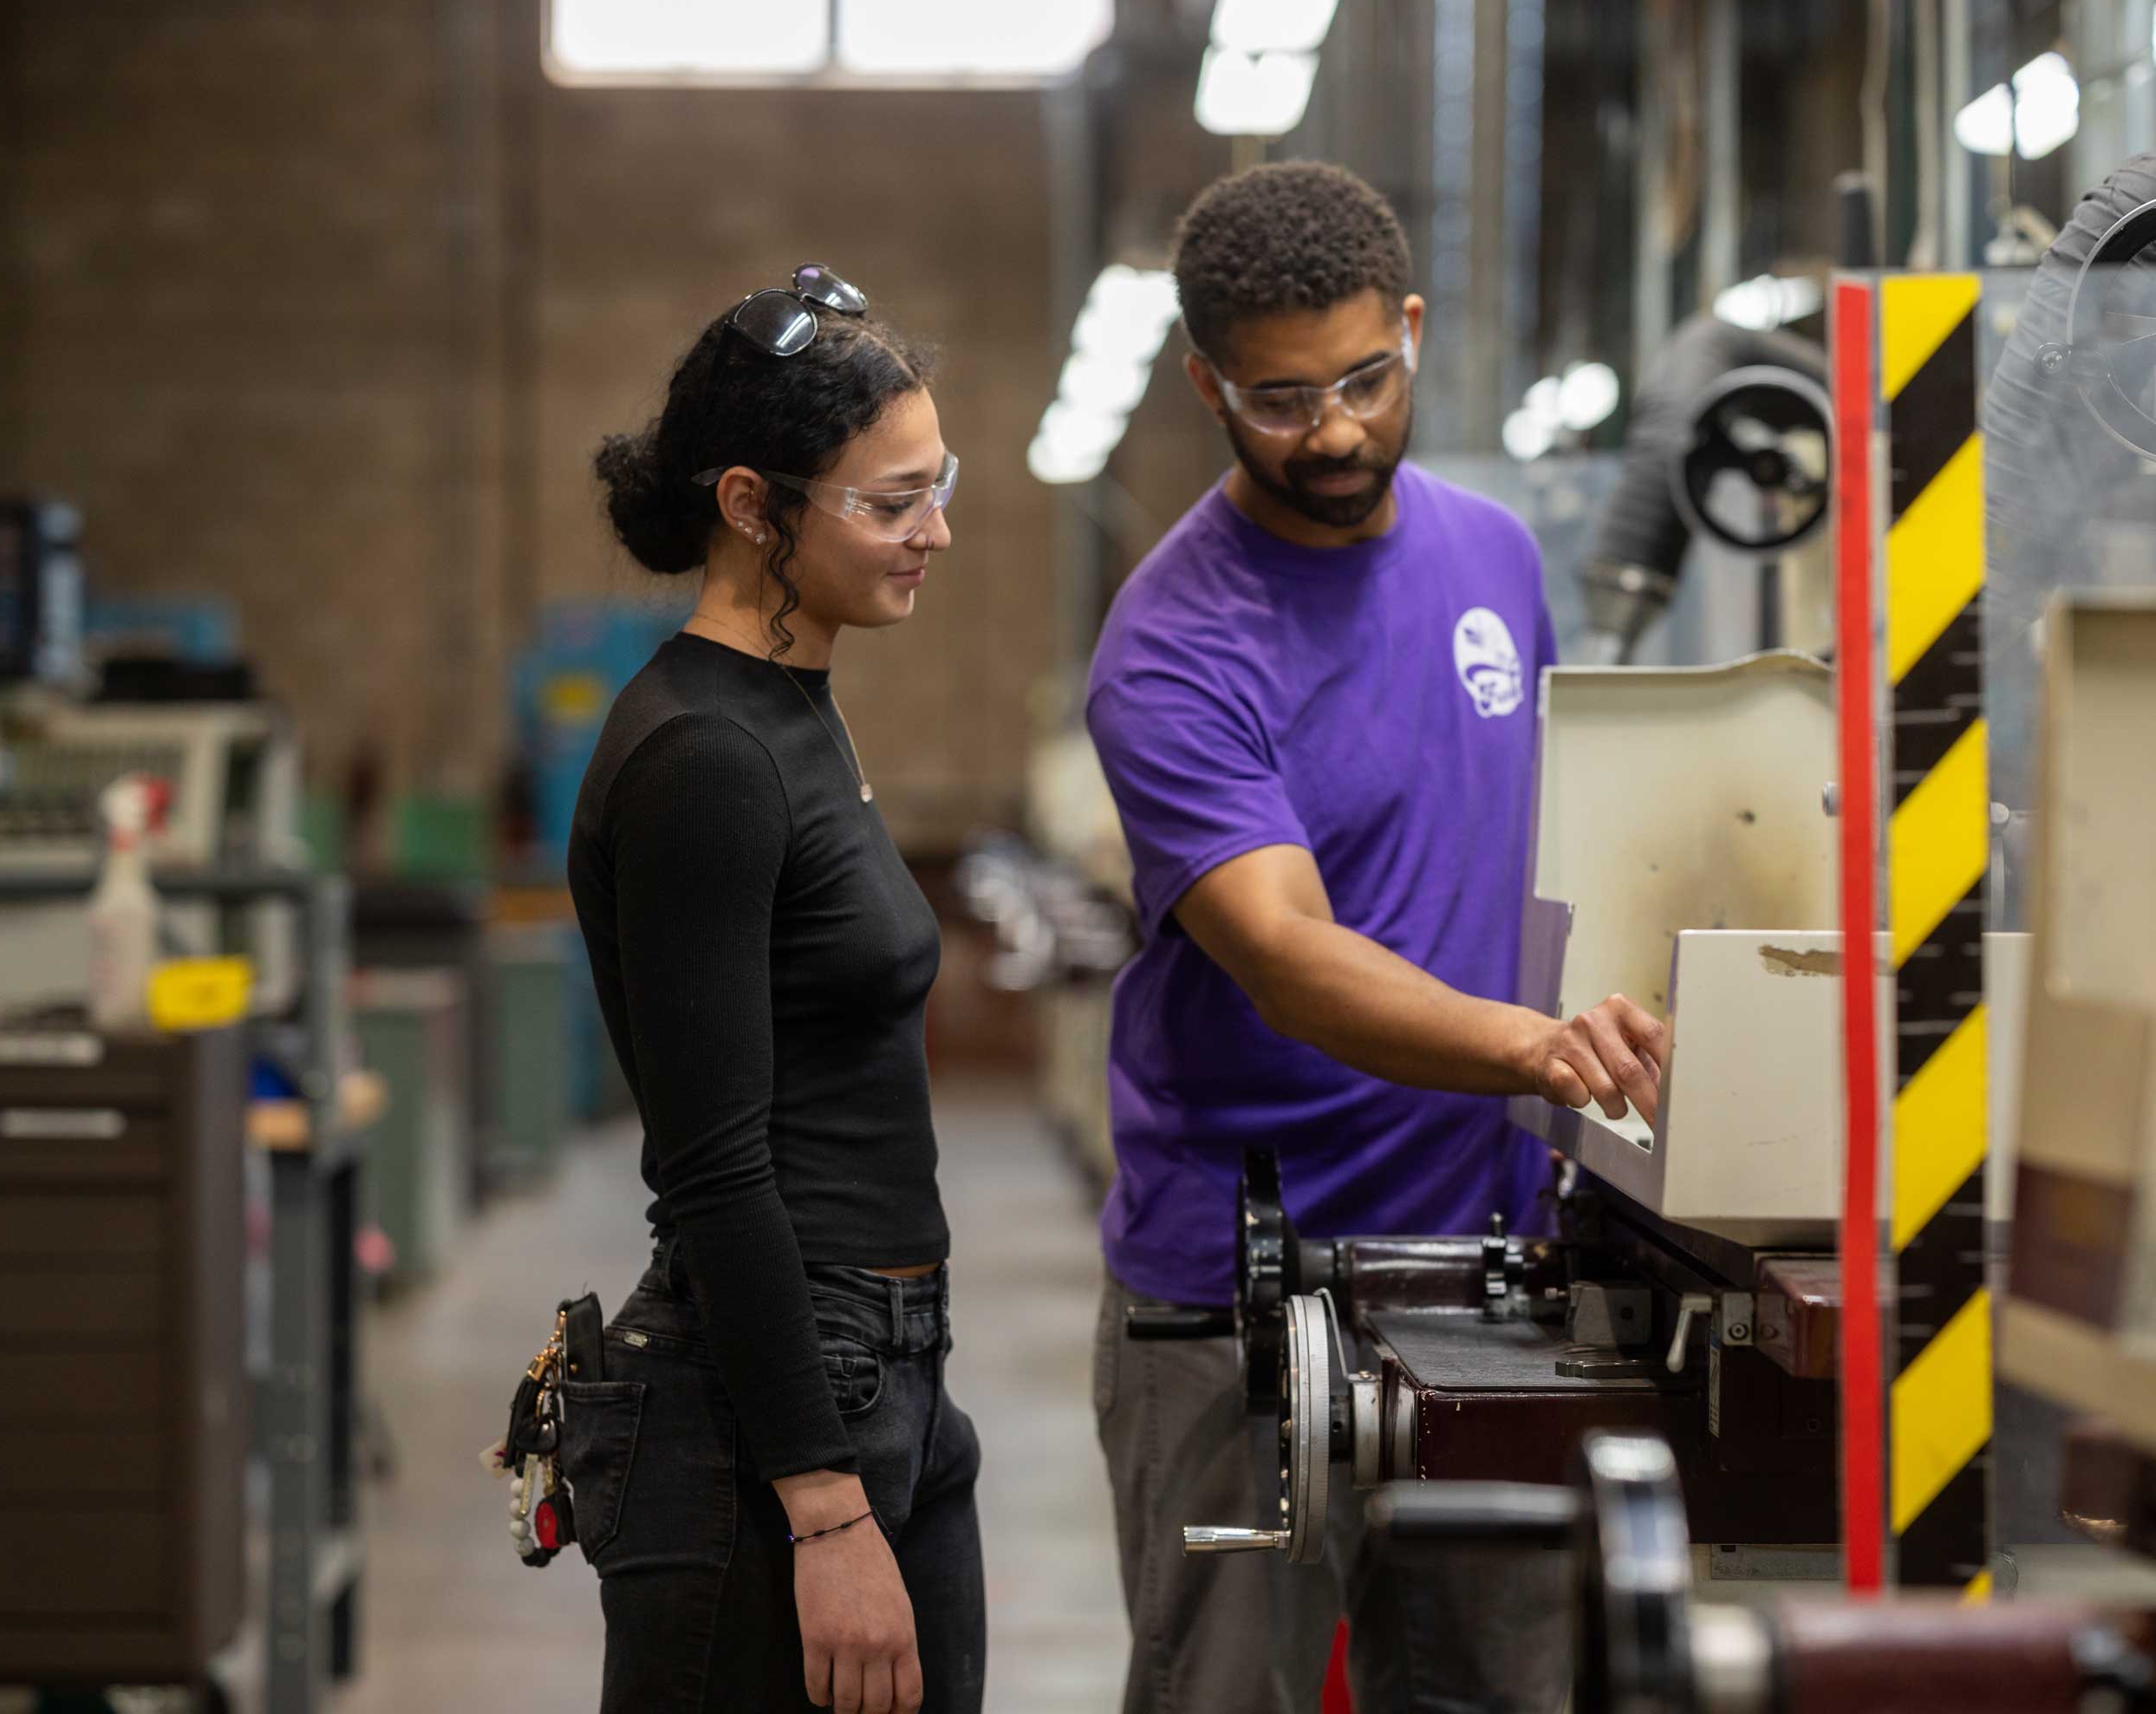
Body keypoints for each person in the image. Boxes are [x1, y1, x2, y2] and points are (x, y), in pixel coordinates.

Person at [1086, 164, 1669, 1712]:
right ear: (1205, 380)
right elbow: (1284, 949)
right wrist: (1533, 1050)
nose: (1334, 431)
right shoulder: (1174, 642)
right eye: (1281, 401)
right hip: (1238, 1301)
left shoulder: (1495, 560)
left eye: (1364, 378)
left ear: (1411, 328)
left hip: (1492, 1281)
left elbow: (1552, 856)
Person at [561, 265, 981, 1714]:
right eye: (888, 502)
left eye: (938, 486)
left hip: (888, 1369)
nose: (933, 532)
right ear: (754, 506)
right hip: (777, 1413)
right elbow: (716, 1170)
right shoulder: (703, 761)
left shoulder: (793, 703)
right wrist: (827, 1508)